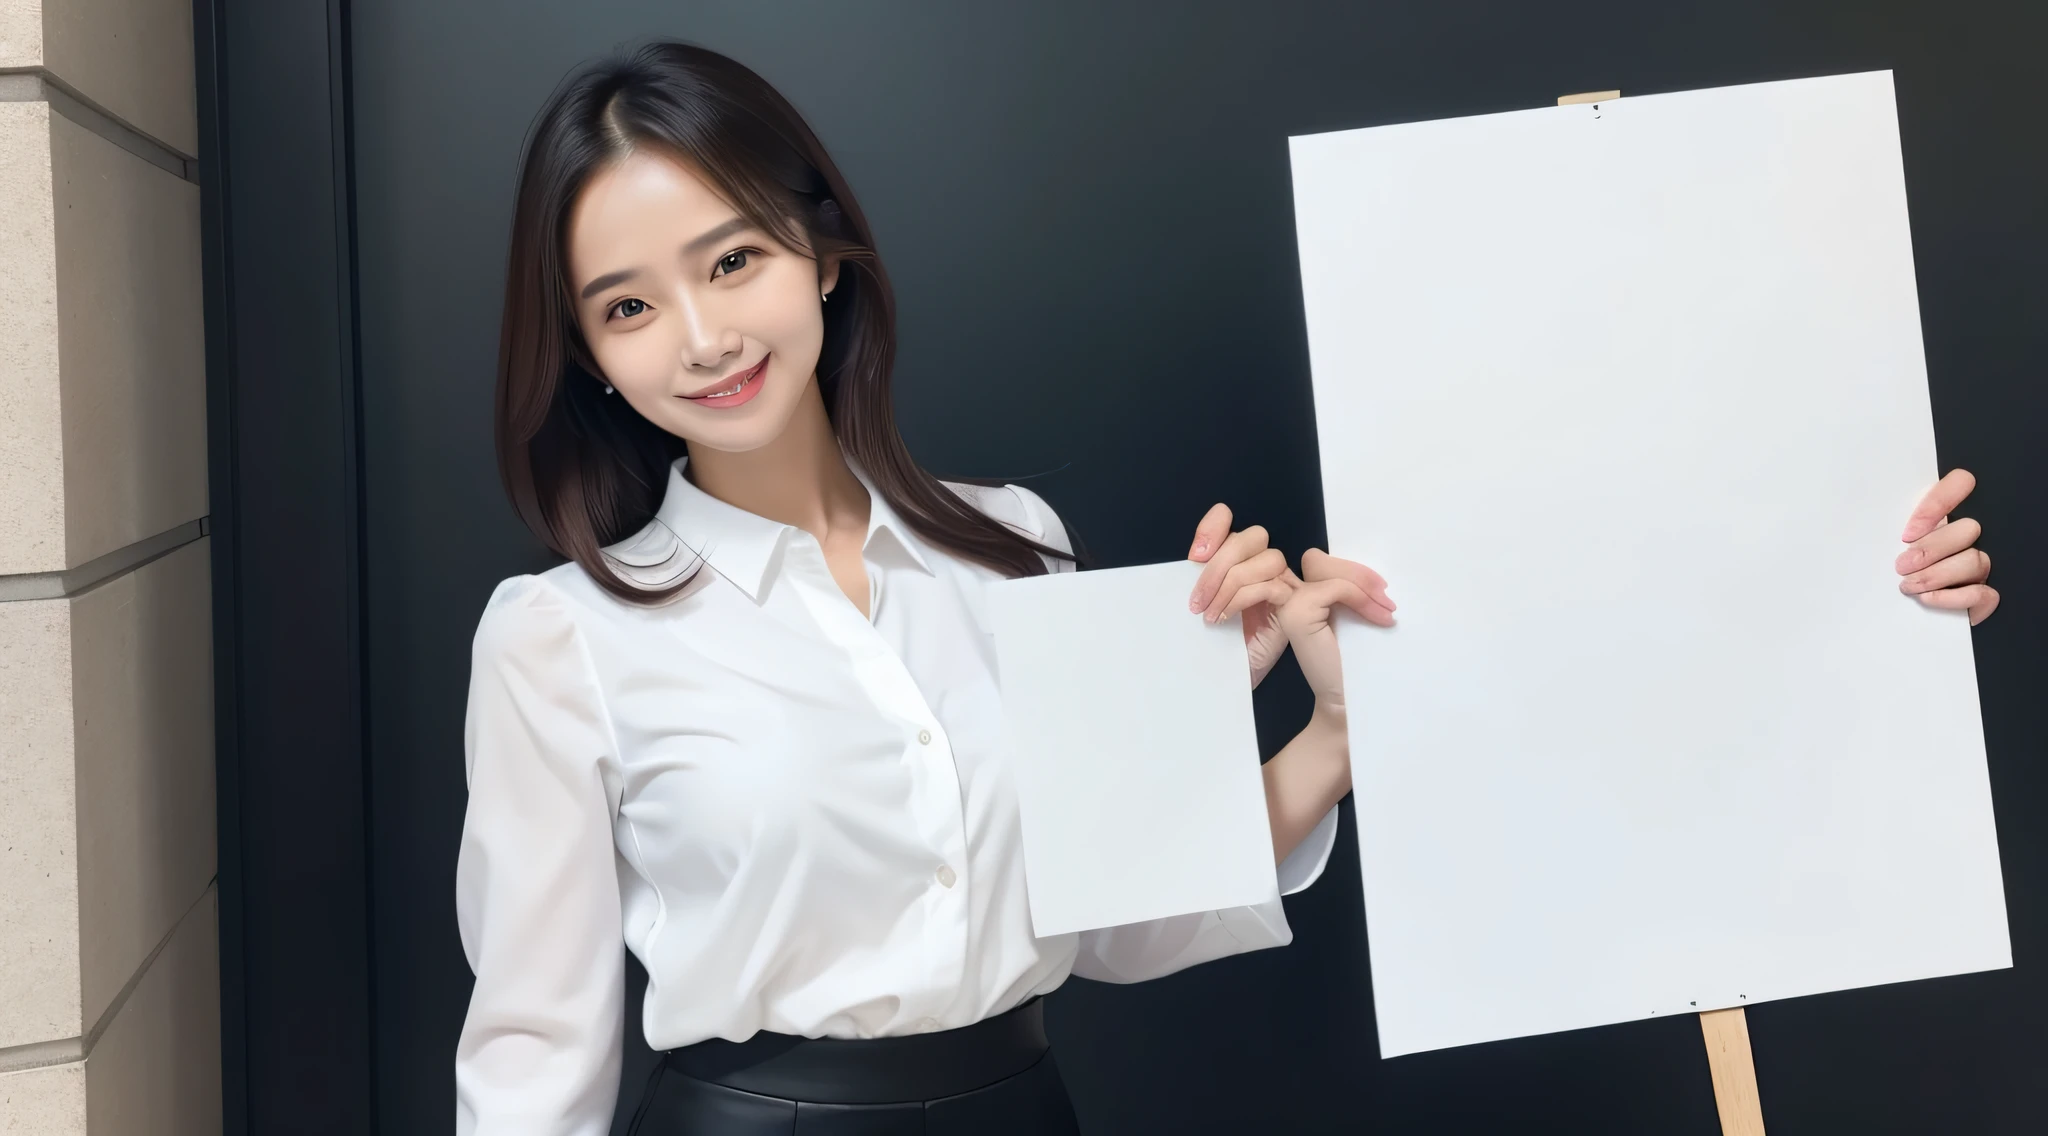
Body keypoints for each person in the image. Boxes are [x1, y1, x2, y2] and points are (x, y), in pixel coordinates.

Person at [453, 40, 2001, 1136]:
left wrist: (1324, 730)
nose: (704, 337)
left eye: (733, 264)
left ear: (822, 251)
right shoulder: (564, 640)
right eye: (630, 306)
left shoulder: (1010, 544)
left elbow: (1116, 925)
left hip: (1019, 1108)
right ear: (588, 353)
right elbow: (534, 1057)